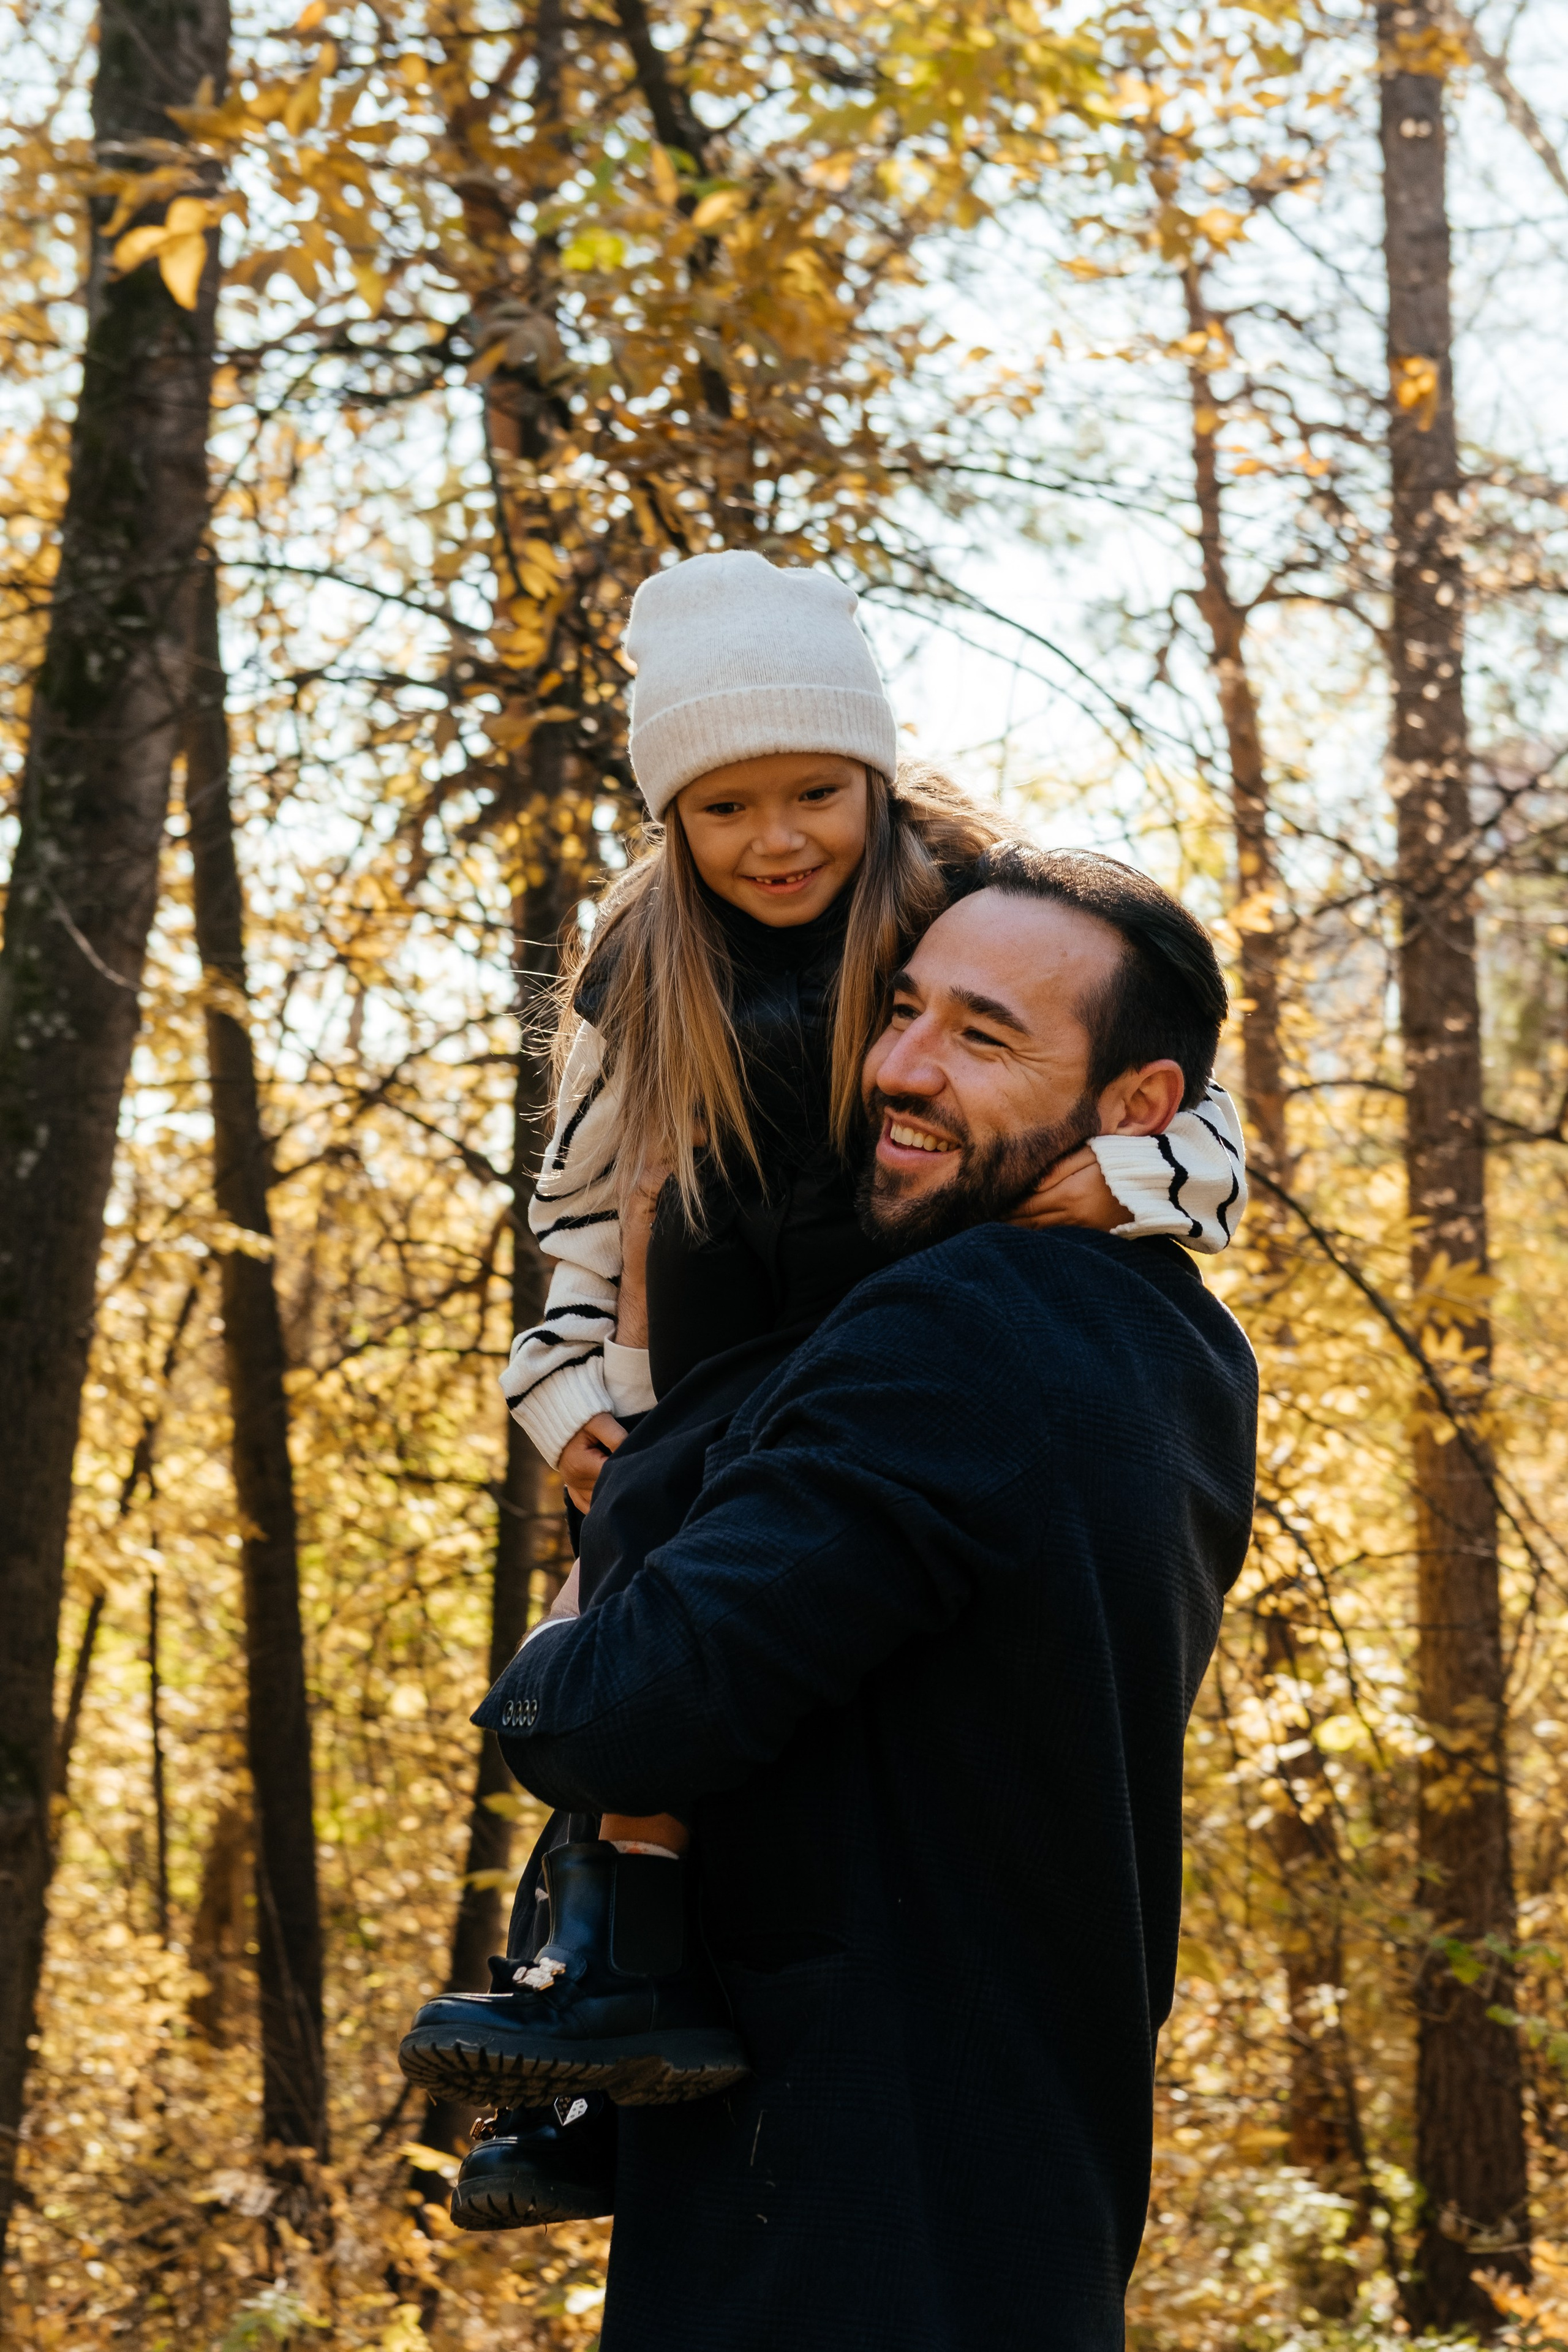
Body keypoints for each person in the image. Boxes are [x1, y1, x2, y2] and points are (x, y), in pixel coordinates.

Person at [413, 843, 1259, 2348]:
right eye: (904, 1010)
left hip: (836, 2231)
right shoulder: (1181, 1353)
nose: (900, 1067)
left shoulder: (959, 1324)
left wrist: (559, 1641)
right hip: (1013, 2212)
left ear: (1139, 1108)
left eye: (982, 1036)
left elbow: (622, 1712)